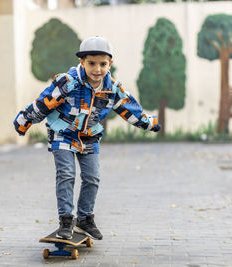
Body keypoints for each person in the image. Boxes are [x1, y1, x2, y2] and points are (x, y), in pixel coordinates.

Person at [14, 36, 161, 240]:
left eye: (103, 64)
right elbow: (44, 102)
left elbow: (129, 108)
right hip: (62, 133)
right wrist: (24, 120)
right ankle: (66, 221)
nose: (97, 69)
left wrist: (148, 123)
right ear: (82, 62)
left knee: (92, 177)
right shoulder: (68, 82)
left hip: (89, 136)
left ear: (110, 64)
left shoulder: (112, 89)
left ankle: (85, 218)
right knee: (66, 174)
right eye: (91, 63)